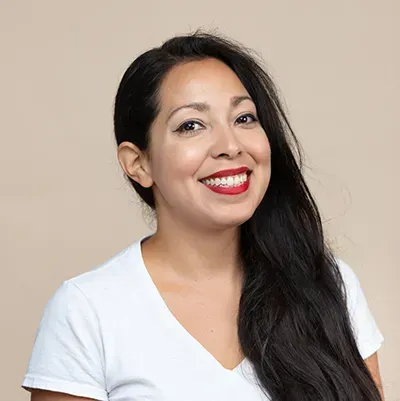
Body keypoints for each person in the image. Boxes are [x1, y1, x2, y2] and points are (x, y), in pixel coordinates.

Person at [22, 31, 385, 401]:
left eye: (244, 118)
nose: (230, 146)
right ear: (138, 163)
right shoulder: (86, 310)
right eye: (191, 125)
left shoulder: (329, 286)